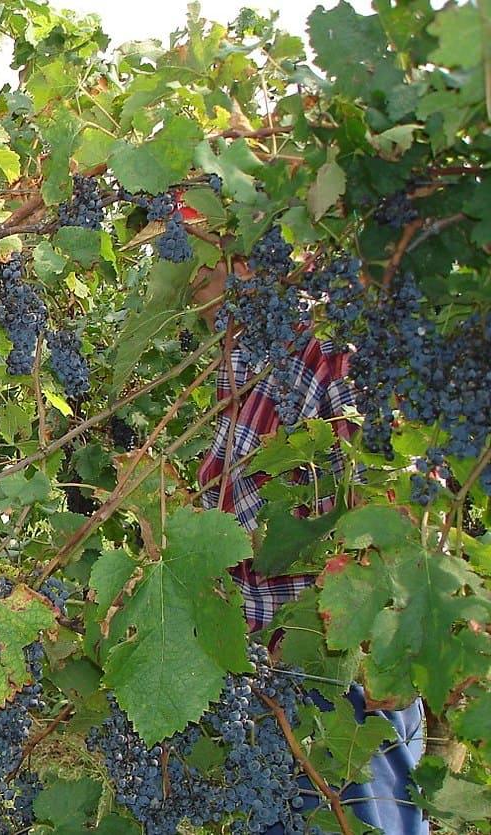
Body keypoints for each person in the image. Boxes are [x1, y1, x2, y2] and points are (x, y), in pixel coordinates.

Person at [193, 255, 427, 834]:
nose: (179, 266)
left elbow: (397, 505)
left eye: (182, 225)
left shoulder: (328, 347)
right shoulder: (247, 346)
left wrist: (398, 654)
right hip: (270, 684)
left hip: (340, 686)